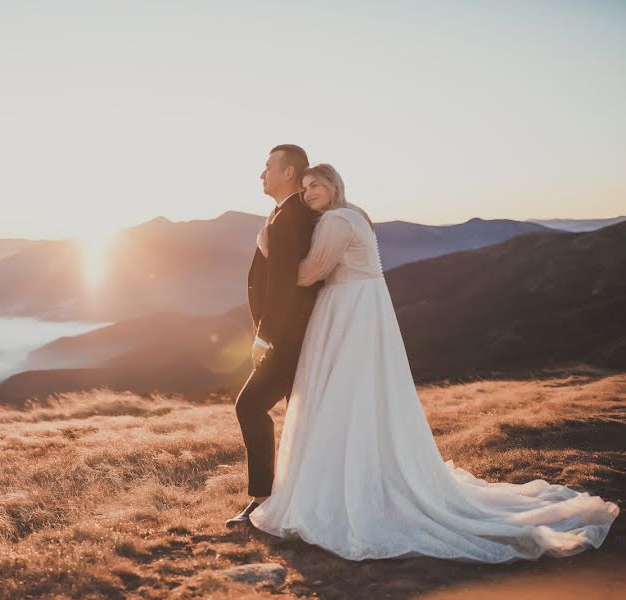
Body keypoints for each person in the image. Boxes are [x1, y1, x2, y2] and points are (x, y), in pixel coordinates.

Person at [243, 162, 620, 561]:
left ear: (334, 185)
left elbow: (306, 275)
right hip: (363, 309)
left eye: (316, 185)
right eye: (304, 188)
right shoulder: (356, 215)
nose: (309, 193)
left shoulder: (336, 221)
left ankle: (342, 484)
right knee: (357, 394)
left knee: (340, 392)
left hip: (345, 311)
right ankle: (357, 470)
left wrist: (268, 245)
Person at [226, 144, 322, 527]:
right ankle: (297, 492)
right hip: (289, 334)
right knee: (301, 414)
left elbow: (284, 284)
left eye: (268, 166)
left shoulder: (291, 217)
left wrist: (265, 337)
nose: (261, 173)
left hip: (286, 337)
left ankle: (263, 498)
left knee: (249, 407)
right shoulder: (287, 213)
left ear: (289, 172)